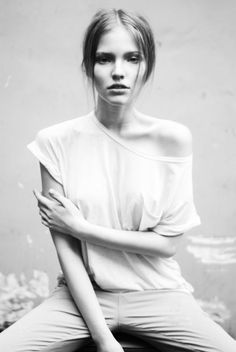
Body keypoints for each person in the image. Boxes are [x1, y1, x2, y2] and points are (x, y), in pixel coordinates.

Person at [0, 8, 235, 352]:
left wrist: (82, 228)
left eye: (132, 58)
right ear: (88, 67)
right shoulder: (54, 142)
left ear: (146, 66)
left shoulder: (172, 139)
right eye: (104, 59)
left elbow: (167, 244)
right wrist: (103, 338)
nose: (118, 72)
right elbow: (67, 251)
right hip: (80, 299)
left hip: (160, 294)